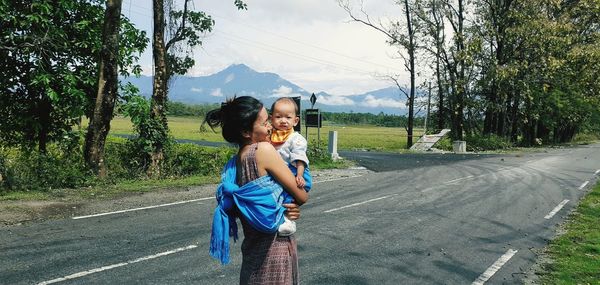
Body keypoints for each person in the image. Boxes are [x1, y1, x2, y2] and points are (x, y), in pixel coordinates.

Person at [204, 96, 309, 285]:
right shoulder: (264, 150)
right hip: (274, 251)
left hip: (253, 252)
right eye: (265, 122)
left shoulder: (234, 162)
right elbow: (301, 194)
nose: (271, 126)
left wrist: (286, 207)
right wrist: (292, 204)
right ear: (246, 131)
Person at [270, 97, 312, 236]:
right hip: (281, 172)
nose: (283, 120)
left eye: (288, 117)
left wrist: (299, 175)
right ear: (271, 119)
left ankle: (289, 221)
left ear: (296, 120)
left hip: (295, 171)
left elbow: (300, 159)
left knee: (288, 197)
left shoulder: (296, 138)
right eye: (278, 117)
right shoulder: (271, 136)